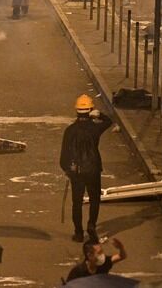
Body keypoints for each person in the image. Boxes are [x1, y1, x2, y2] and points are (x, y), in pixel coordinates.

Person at [59, 94, 113, 243]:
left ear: (77, 111)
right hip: (93, 169)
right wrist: (99, 114)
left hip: (77, 172)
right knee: (94, 199)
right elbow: (109, 121)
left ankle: (78, 233)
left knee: (77, 202)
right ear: (90, 111)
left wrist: (67, 170)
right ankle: (91, 225)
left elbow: (64, 155)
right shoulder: (95, 129)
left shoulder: (70, 130)